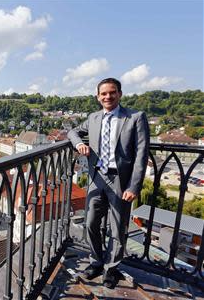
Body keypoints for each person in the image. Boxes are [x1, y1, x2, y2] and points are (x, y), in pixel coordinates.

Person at [67, 78, 149, 288]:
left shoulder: (135, 117)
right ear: (98, 97)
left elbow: (142, 154)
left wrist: (134, 186)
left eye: (112, 92)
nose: (108, 97)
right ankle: (96, 261)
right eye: (103, 94)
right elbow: (72, 132)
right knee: (91, 222)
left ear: (120, 94)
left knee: (118, 227)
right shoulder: (93, 118)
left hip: (120, 180)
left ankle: (111, 269)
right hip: (97, 178)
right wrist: (79, 145)